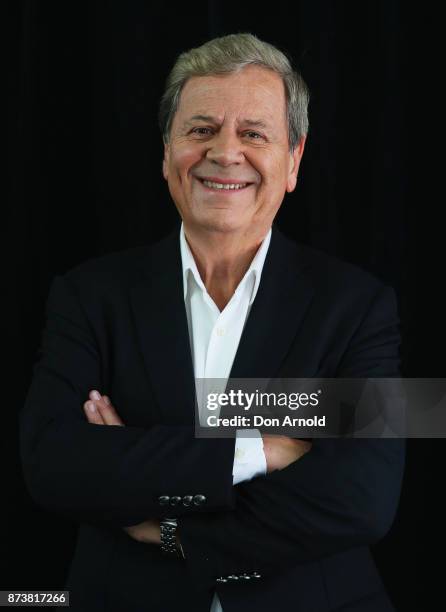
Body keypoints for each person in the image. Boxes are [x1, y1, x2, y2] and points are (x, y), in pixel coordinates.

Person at [19, 33, 405, 611]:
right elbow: (52, 466)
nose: (226, 153)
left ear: (294, 161)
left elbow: (364, 498)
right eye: (201, 130)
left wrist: (169, 526)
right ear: (166, 150)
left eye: (254, 133)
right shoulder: (87, 295)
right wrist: (261, 451)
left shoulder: (359, 304)